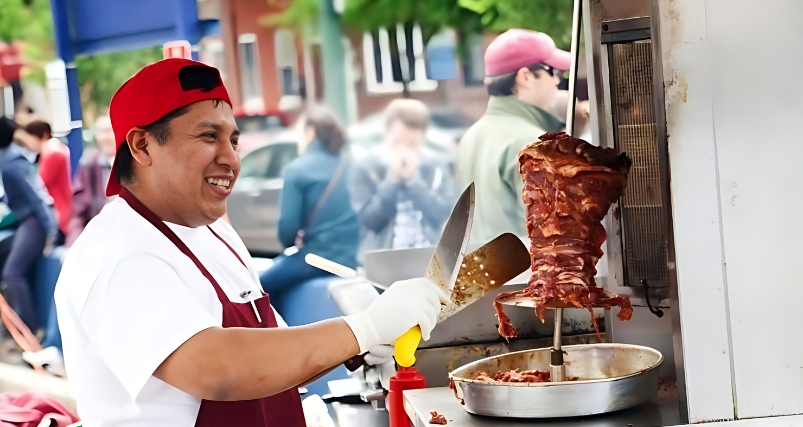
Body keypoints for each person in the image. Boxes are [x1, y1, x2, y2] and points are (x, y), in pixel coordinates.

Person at [55, 59, 445, 426]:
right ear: (142, 146)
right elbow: (218, 368)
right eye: (208, 136)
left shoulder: (214, 232)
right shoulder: (119, 254)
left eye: (234, 140)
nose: (232, 159)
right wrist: (364, 327)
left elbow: (271, 351)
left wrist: (355, 344)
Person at [456, 29, 569, 243]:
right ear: (526, 77)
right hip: (527, 275)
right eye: (553, 71)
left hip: (486, 274)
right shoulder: (534, 143)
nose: (557, 81)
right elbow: (553, 240)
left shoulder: (471, 136)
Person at [258, 106, 358, 295]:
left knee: (257, 289)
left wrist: (291, 241)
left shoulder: (296, 170)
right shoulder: (353, 164)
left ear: (310, 132)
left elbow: (287, 229)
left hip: (318, 260)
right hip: (353, 260)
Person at [349, 99, 455, 260]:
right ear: (386, 132)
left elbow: (441, 214)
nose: (404, 149)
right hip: (384, 259)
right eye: (398, 142)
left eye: (411, 143)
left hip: (429, 257)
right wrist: (392, 179)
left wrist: (414, 181)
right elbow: (370, 220)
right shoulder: (366, 167)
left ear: (423, 136)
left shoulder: (436, 166)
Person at [0, 118, 57, 332]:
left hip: (34, 223)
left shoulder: (12, 162)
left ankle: (31, 329)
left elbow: (38, 200)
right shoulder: (9, 159)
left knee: (12, 274)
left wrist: (51, 234)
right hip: (26, 221)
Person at [18, 121, 71, 245]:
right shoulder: (58, 148)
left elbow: (38, 184)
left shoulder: (52, 152)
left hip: (57, 214)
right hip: (62, 210)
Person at [67, 112, 116, 245]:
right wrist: (73, 244)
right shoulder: (89, 163)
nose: (105, 137)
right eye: (101, 132)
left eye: (108, 131)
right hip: (101, 237)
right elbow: (79, 210)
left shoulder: (134, 161)